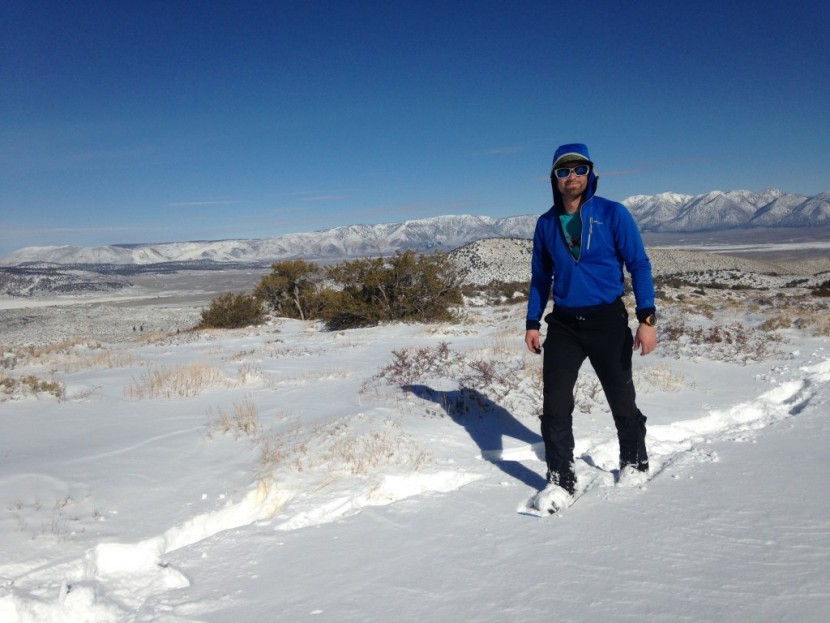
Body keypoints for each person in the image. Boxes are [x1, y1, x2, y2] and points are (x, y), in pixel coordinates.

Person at [524, 142, 657, 512]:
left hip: (607, 320)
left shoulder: (613, 214)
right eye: (564, 171)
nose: (572, 177)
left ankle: (634, 461)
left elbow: (639, 265)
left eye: (579, 169)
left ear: (591, 173)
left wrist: (646, 319)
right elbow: (540, 278)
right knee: (555, 403)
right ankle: (561, 478)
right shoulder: (546, 223)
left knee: (621, 396)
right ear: (554, 178)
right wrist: (532, 321)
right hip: (564, 324)